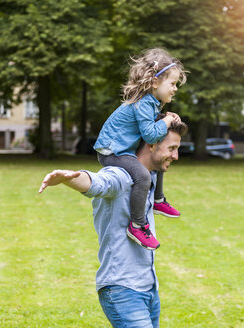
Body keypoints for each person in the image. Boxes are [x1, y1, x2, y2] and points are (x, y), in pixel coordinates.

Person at [39, 118, 188, 328]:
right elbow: (100, 183)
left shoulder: (149, 177)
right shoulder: (121, 175)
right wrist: (69, 178)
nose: (176, 156)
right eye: (172, 148)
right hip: (123, 290)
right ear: (152, 144)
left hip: (148, 288)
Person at [93, 48, 187, 250]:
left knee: (158, 160)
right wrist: (167, 121)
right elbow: (151, 135)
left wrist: (169, 119)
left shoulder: (152, 103)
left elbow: (154, 128)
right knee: (143, 176)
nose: (175, 88)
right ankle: (137, 225)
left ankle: (158, 199)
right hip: (112, 152)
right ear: (154, 82)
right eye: (172, 83)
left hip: (122, 149)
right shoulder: (144, 103)